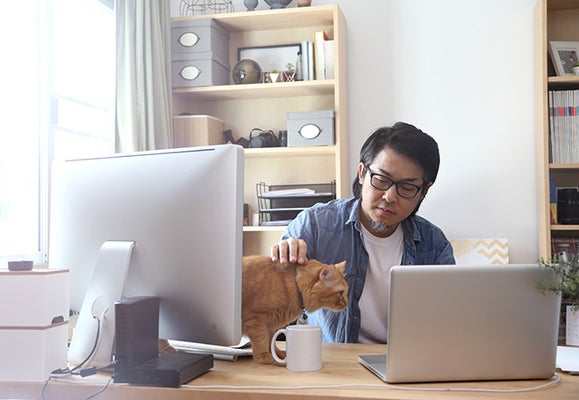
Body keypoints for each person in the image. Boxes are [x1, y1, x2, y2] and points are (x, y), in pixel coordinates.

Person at [271, 122, 455, 343]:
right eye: (381, 180)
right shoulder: (315, 225)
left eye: (406, 187)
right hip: (334, 367)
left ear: (424, 191)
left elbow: (446, 324)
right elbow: (271, 301)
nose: (390, 196)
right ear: (361, 173)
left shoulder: (434, 245)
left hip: (406, 364)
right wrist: (283, 268)